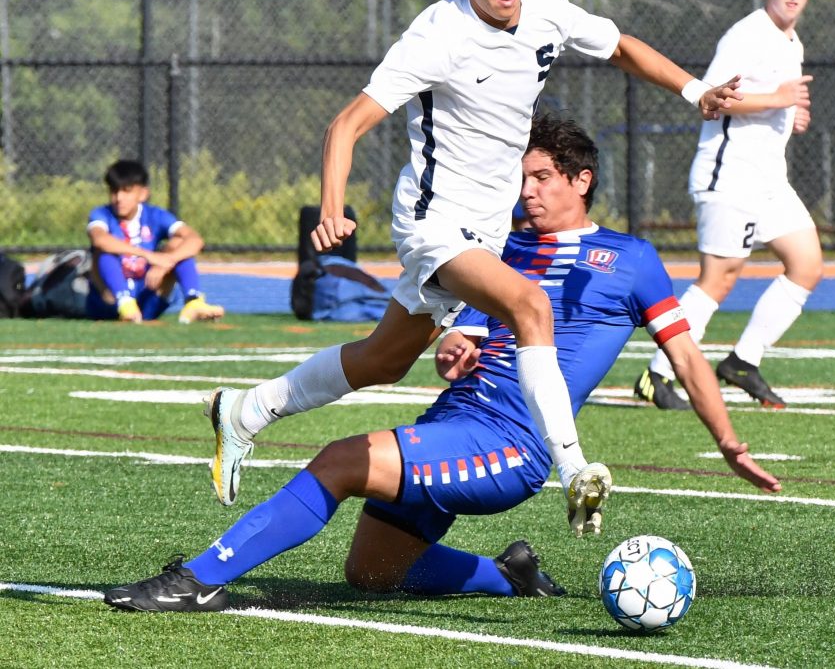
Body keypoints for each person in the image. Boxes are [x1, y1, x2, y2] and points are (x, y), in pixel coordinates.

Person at [203, 0, 743, 536]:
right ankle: (573, 468)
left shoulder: (545, 10)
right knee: (530, 305)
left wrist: (694, 90)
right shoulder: (438, 35)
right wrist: (332, 206)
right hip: (433, 222)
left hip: (485, 229)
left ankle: (246, 410)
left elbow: (621, 46)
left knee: (383, 360)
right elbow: (346, 124)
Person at [104, 116, 779, 613]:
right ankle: (508, 573)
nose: (528, 191)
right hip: (454, 420)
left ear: (582, 180)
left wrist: (728, 443)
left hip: (510, 446)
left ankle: (198, 579)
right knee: (371, 573)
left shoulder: (631, 259)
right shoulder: (502, 249)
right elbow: (462, 336)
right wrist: (458, 344)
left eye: (542, 177)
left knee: (339, 461)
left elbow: (686, 356)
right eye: (521, 178)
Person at [635, 0, 821, 410]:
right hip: (730, 176)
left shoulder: (792, 41)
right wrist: (778, 100)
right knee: (717, 280)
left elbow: (773, 100)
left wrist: (790, 114)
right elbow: (714, 98)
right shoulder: (747, 34)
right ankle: (656, 374)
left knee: (807, 265)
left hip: (769, 180)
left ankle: (743, 361)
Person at [85, 159, 224, 324]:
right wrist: (148, 256)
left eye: (126, 191)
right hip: (109, 302)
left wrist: (165, 262)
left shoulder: (155, 215)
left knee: (178, 244)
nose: (119, 198)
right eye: (114, 191)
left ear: (143, 194)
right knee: (104, 251)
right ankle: (125, 304)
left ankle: (193, 301)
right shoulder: (101, 214)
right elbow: (99, 239)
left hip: (146, 297)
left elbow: (195, 239)